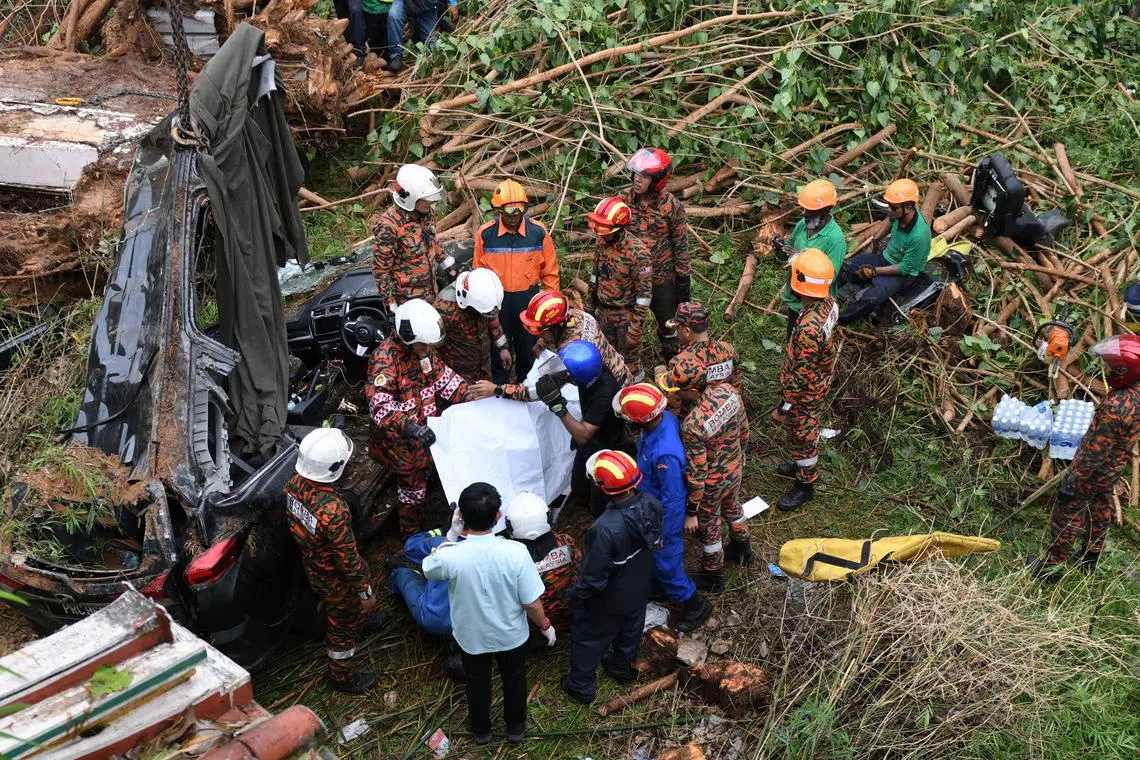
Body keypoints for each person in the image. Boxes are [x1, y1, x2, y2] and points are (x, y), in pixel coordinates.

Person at [423, 483, 555, 744]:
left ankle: (481, 730)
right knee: (515, 679)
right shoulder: (516, 552)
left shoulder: (452, 556)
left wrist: (451, 536)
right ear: (498, 516)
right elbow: (531, 603)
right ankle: (515, 728)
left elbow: (429, 568)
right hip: (511, 635)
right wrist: (545, 625)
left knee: (477, 682)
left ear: (461, 517)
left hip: (471, 636)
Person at [284, 429, 389, 693]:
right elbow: (349, 561)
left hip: (313, 565)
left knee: (346, 612)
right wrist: (365, 592)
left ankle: (362, 620)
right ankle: (341, 675)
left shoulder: (293, 484)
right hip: (336, 579)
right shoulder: (333, 511)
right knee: (342, 625)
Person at [1028, 336, 1140, 581]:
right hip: (1114, 468)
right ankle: (1090, 556)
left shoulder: (1117, 404)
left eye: (1111, 366)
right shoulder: (1136, 395)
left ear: (1124, 370)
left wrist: (1074, 479)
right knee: (1100, 508)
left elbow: (1095, 451)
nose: (1107, 369)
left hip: (1094, 470)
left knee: (1066, 513)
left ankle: (1051, 567)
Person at [562, 450, 663, 705]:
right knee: (631, 627)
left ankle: (581, 685)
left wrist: (576, 596)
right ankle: (621, 668)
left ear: (603, 488)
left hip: (610, 597)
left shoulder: (604, 529)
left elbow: (595, 576)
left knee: (589, 636)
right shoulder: (651, 504)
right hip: (639, 584)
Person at [366, 299, 469, 537]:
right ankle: (409, 534)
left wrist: (476, 396)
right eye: (424, 345)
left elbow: (447, 382)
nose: (428, 350)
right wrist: (410, 427)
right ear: (409, 338)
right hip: (401, 444)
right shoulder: (385, 360)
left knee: (425, 482)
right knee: (412, 491)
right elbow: (379, 406)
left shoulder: (425, 353)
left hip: (426, 436)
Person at [615, 383, 711, 633]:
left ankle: (695, 604)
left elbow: (674, 498)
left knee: (666, 564)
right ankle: (658, 586)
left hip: (663, 517)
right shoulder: (663, 419)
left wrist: (662, 534)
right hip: (649, 506)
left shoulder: (665, 454)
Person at [660, 358, 751, 592]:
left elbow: (697, 473)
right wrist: (740, 458)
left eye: (678, 390)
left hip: (712, 482)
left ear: (692, 389)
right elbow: (744, 430)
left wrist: (692, 512)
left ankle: (713, 575)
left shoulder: (692, 424)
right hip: (735, 467)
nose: (676, 394)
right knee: (733, 507)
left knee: (709, 528)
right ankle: (743, 548)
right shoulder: (729, 391)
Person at [467, 290, 633, 402]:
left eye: (540, 330)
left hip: (613, 394)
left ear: (552, 326)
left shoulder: (571, 354)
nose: (537, 334)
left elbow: (538, 391)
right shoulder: (577, 315)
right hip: (620, 372)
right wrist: (541, 343)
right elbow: (554, 330)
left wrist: (497, 389)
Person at [771, 249, 839, 512]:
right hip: (819, 378)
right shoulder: (828, 303)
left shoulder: (809, 330)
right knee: (802, 432)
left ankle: (805, 482)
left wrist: (784, 407)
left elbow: (801, 376)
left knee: (803, 434)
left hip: (806, 390)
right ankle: (801, 465)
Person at [473, 180, 559, 384]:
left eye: (519, 209)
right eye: (509, 210)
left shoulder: (538, 232)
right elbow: (478, 275)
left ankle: (526, 390)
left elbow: (550, 273)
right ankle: (499, 393)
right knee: (497, 352)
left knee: (528, 352)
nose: (514, 215)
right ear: (498, 209)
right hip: (497, 303)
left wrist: (550, 308)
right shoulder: (486, 235)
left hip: (528, 302)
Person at [534, 340, 630, 515]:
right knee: (579, 489)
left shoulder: (603, 393)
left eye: (568, 375)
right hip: (592, 440)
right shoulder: (592, 373)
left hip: (604, 449)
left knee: (600, 503)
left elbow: (583, 435)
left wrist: (558, 407)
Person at [621, 148, 690, 358]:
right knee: (625, 329)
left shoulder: (671, 206)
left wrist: (683, 281)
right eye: (636, 174)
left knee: (670, 329)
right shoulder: (623, 200)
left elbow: (680, 245)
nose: (637, 179)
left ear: (659, 180)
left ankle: (675, 369)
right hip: (630, 278)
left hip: (661, 280)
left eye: (644, 176)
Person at [838, 179, 931, 324]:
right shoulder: (898, 214)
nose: (889, 210)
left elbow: (904, 268)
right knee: (854, 266)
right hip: (886, 257)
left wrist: (875, 271)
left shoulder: (919, 236)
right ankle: (842, 292)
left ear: (908, 208)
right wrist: (877, 239)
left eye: (893, 207)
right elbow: (890, 219)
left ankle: (840, 319)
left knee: (873, 298)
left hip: (902, 274)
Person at [588, 196, 653, 380]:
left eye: (604, 228)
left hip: (627, 317)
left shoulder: (638, 253)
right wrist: (589, 309)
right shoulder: (601, 243)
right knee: (606, 359)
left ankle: (637, 394)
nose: (599, 233)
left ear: (618, 227)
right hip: (604, 313)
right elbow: (595, 277)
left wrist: (636, 327)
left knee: (630, 364)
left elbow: (644, 295)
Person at [372, 164, 451, 312]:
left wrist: (446, 263)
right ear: (409, 197)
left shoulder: (426, 214)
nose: (431, 202)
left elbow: (431, 240)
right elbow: (381, 270)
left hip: (431, 292)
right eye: (426, 198)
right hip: (408, 300)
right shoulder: (388, 226)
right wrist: (390, 303)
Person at [504, 491, 581, 642]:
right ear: (547, 518)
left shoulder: (508, 558)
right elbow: (579, 575)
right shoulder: (566, 542)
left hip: (531, 626)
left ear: (510, 526)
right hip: (568, 617)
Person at [776, 179, 847, 341]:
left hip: (815, 304)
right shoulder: (802, 225)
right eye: (804, 209)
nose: (804, 214)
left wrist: (799, 259)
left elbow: (830, 277)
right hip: (795, 297)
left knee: (809, 344)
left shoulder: (835, 239)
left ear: (826, 210)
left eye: (810, 211)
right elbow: (787, 252)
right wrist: (780, 248)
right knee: (792, 338)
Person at [436, 268, 511, 382]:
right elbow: (432, 349)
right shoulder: (444, 309)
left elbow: (493, 319)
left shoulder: (486, 299)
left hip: (484, 370)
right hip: (458, 379)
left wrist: (503, 348)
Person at [385, 0, 458, 72]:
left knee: (431, 47)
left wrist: (452, 3)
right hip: (404, 2)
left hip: (428, 6)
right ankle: (395, 55)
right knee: (394, 15)